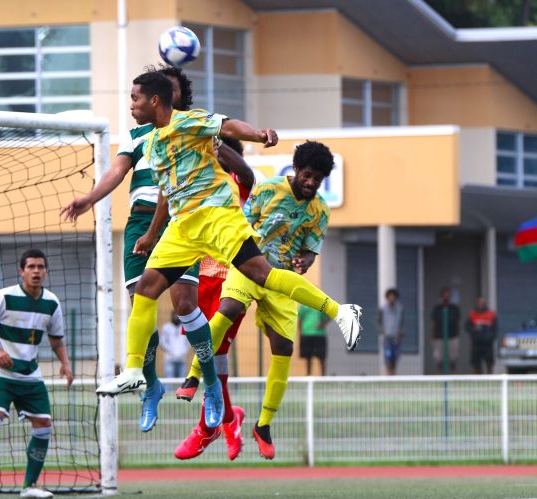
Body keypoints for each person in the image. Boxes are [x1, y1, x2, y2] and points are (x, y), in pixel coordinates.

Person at [96, 72, 361, 434]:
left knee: (261, 274)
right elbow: (167, 190)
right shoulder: (152, 143)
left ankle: (340, 312)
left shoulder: (189, 120)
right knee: (145, 291)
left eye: (135, 98)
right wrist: (148, 230)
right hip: (182, 227)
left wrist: (258, 134)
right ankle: (134, 374)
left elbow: (228, 125)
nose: (130, 105)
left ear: (154, 101)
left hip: (217, 215)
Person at [61, 65, 250, 433]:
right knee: (139, 305)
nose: (167, 96)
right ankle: (150, 386)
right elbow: (115, 172)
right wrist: (90, 198)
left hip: (180, 222)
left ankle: (210, 383)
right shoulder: (137, 136)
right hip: (138, 222)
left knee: (184, 305)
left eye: (175, 91)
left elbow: (217, 163)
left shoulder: (191, 130)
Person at [172, 141, 334, 462]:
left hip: (263, 273)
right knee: (218, 333)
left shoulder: (251, 183)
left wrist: (304, 261)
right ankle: (221, 417)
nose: (312, 183)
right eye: (308, 175)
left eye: (318, 178)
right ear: (297, 169)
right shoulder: (190, 185)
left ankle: (233, 423)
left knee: (276, 347)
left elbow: (309, 247)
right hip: (218, 272)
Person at [0, 249, 73, 499]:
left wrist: (65, 363)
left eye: (40, 267)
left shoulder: (52, 302)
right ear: (21, 271)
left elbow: (56, 339)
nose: (36, 271)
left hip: (30, 375)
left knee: (44, 426)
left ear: (46, 271)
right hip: (0, 373)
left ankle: (30, 485)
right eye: (31, 266)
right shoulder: (4, 296)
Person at [171, 137, 253, 462]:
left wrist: (221, 148)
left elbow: (248, 176)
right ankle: (230, 419)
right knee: (210, 355)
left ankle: (208, 427)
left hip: (231, 279)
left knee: (215, 350)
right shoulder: (194, 185)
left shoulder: (235, 183)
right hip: (198, 280)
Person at [431, 287, 460, 374]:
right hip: (439, 336)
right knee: (439, 359)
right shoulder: (437, 308)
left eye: (448, 296)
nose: (446, 297)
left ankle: (452, 376)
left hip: (452, 336)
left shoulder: (455, 308)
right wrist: (433, 335)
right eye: (444, 296)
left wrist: (457, 334)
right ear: (441, 297)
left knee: (452, 359)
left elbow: (457, 322)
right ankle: (440, 376)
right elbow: (433, 322)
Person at [466, 296, 497, 374]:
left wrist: (491, 337)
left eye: (482, 303)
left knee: (489, 363)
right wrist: (473, 329)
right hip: (476, 343)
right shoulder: (472, 314)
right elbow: (467, 326)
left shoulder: (491, 314)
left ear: (485, 303)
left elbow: (495, 328)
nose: (480, 304)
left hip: (487, 343)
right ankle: (478, 380)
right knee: (476, 364)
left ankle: (490, 379)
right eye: (479, 303)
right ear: (476, 304)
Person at [378, 288, 404, 375]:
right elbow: (378, 321)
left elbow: (402, 322)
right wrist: (382, 330)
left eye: (394, 297)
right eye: (390, 297)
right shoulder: (383, 308)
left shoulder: (400, 309)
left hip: (396, 337)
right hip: (387, 337)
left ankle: (393, 374)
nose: (392, 298)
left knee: (395, 357)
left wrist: (400, 334)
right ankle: (388, 374)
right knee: (388, 356)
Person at [299, 304, 330, 376]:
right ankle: (308, 375)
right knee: (308, 357)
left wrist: (322, 324)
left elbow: (329, 316)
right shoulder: (304, 305)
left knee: (321, 357)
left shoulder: (321, 304)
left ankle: (323, 376)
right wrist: (301, 333)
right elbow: (300, 319)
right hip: (306, 334)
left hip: (319, 334)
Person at [159, 312, 190, 378]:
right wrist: (171, 351)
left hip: (181, 359)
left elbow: (188, 342)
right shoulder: (166, 327)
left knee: (182, 382)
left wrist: (183, 351)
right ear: (171, 316)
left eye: (177, 315)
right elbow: (162, 342)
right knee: (169, 381)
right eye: (174, 315)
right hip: (170, 359)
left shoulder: (184, 327)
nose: (176, 317)